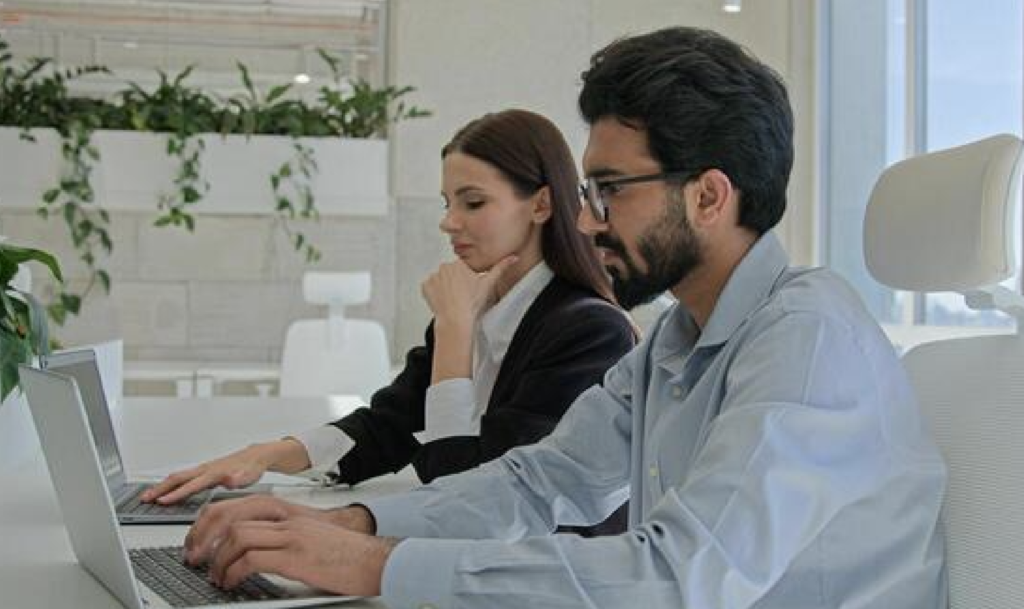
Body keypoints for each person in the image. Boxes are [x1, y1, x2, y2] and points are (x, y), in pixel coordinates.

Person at [183, 27, 948, 608]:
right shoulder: (676, 338)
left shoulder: (807, 339)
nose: (586, 221)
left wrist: (376, 564)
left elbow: (677, 576)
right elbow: (539, 479)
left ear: (708, 196)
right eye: (588, 193)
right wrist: (353, 524)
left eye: (609, 190)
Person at [143, 109, 635, 535]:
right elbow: (389, 427)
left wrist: (455, 331)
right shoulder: (477, 303)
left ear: (541, 205)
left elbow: (468, 493)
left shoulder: (589, 332)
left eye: (473, 202)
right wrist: (265, 455)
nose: (448, 222)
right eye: (447, 203)